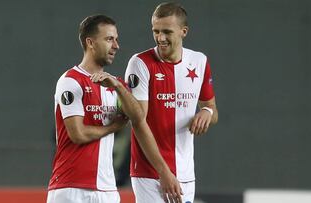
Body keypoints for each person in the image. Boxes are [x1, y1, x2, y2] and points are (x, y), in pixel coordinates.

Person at [46, 14, 182, 203]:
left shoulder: (114, 86)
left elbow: (138, 117)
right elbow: (78, 134)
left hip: (107, 190)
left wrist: (118, 87)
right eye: (109, 39)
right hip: (71, 188)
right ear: (90, 43)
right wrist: (112, 127)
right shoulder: (71, 81)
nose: (116, 46)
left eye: (116, 40)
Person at [125, 2, 219, 203]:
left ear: (184, 31)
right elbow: (138, 122)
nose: (160, 38)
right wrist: (164, 172)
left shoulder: (199, 61)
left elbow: (212, 109)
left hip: (185, 174)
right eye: (156, 31)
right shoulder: (140, 63)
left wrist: (207, 113)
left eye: (167, 31)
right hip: (150, 173)